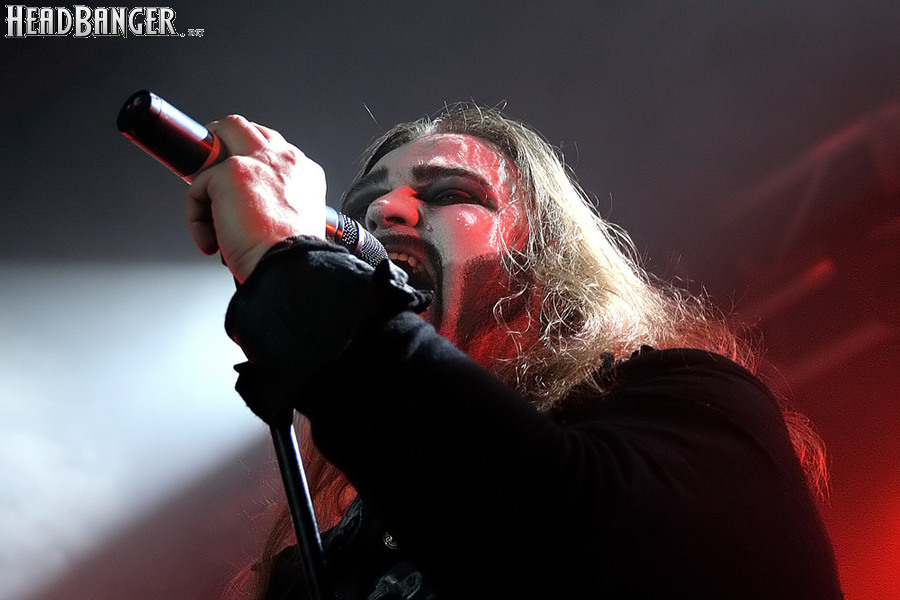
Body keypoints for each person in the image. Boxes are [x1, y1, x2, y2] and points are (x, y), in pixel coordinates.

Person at [186, 104, 843, 599]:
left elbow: (562, 544)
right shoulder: (323, 567)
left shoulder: (695, 409)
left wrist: (292, 264)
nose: (385, 210)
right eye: (363, 206)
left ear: (546, 262)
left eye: (451, 193)